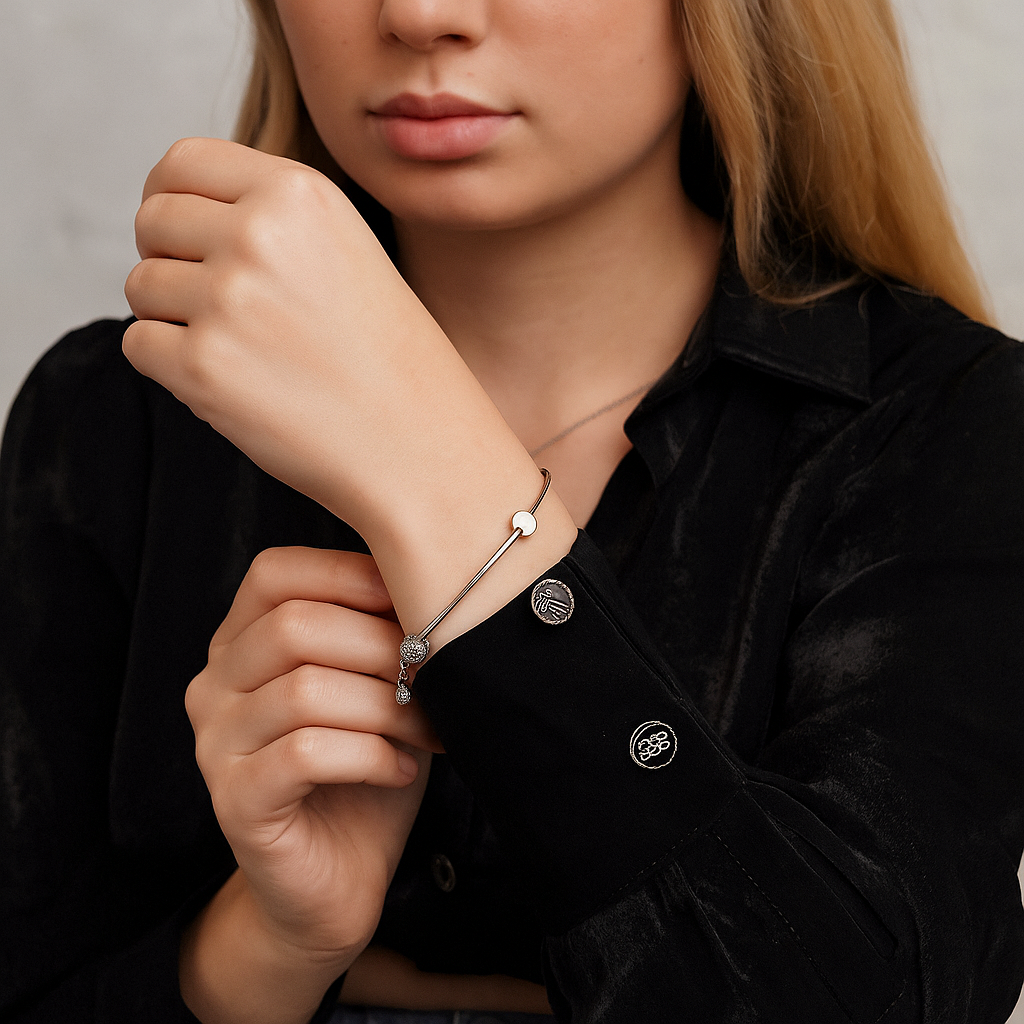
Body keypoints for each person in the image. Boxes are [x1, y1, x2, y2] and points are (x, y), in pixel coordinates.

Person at [2, 0, 1023, 1021]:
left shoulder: (948, 425)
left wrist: (445, 484)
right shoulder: (110, 425)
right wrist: (266, 949)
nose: (421, 14)